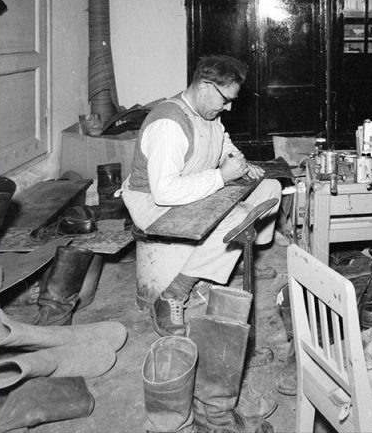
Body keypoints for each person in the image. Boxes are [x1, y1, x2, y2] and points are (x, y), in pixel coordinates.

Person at [119, 54, 282, 336]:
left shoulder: (208, 112)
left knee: (270, 188)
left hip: (192, 189)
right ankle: (173, 294)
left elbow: (222, 145)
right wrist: (221, 176)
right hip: (154, 204)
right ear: (205, 87)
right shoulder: (168, 124)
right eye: (225, 99)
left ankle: (239, 257)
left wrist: (240, 164)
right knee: (239, 218)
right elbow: (164, 191)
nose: (229, 108)